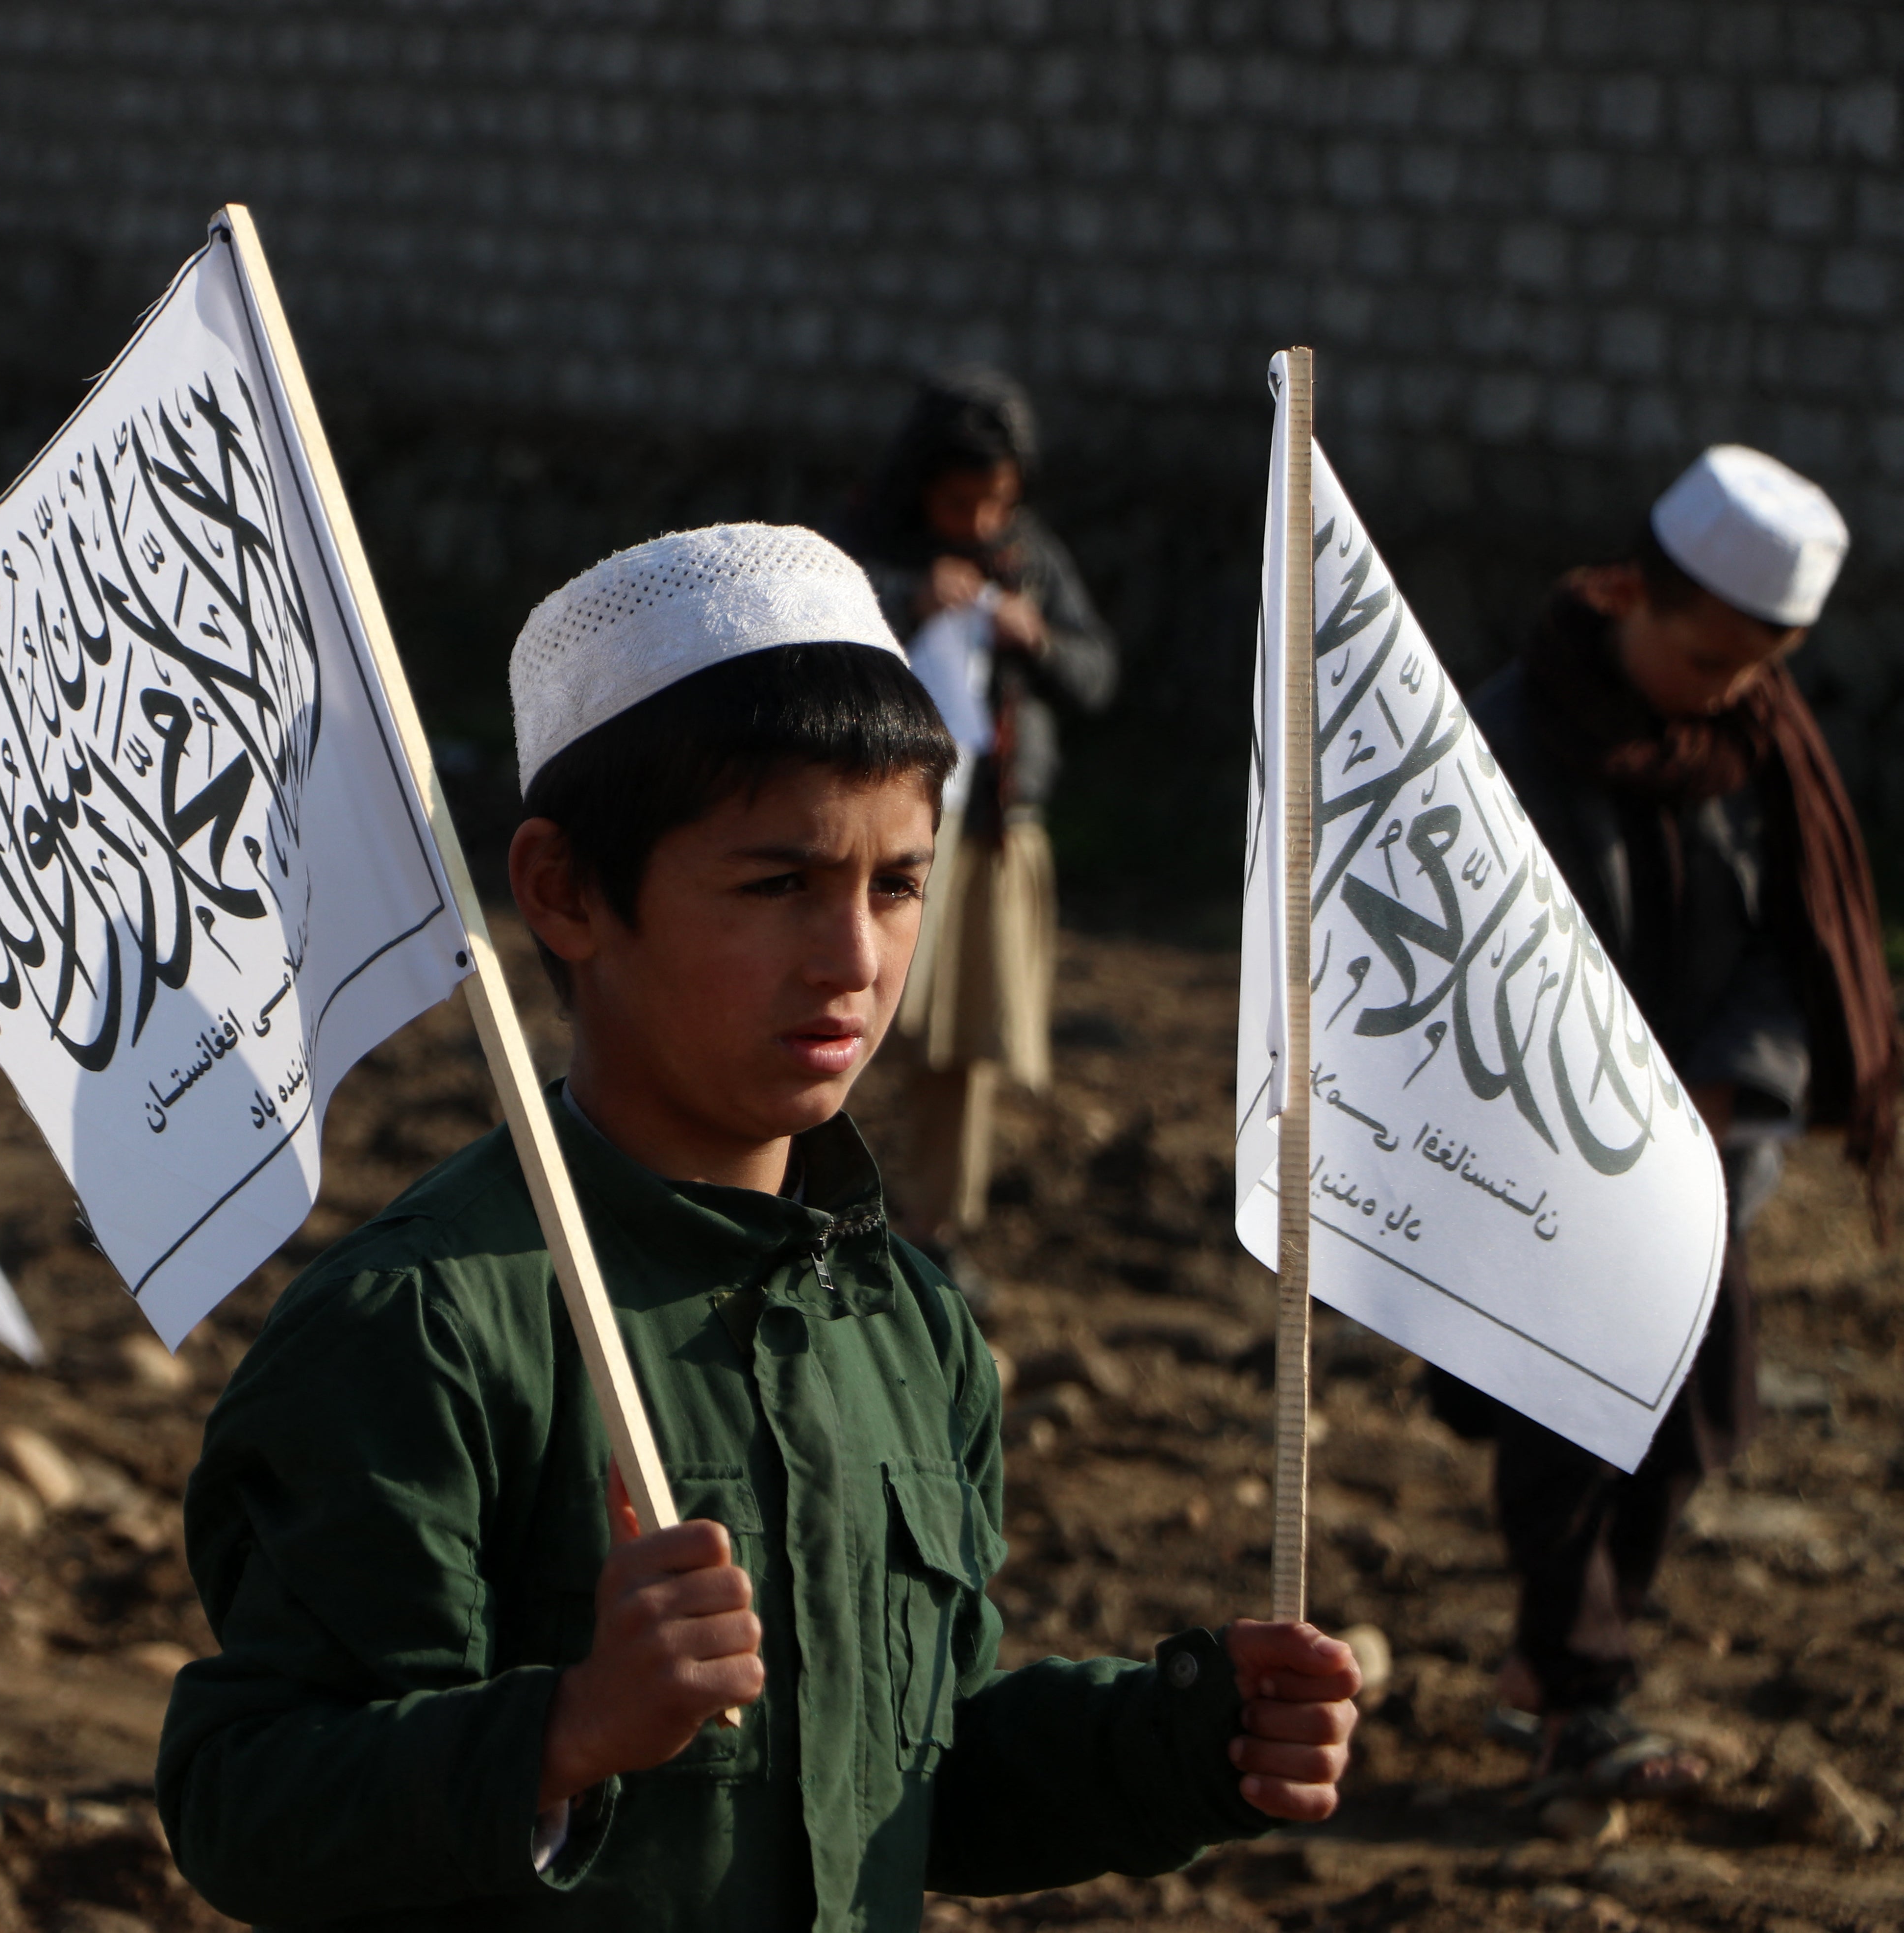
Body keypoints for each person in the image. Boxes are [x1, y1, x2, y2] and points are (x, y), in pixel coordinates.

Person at [156, 524, 1358, 1930]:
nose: (853, 960)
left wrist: (1182, 1744)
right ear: (564, 890)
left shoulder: (910, 1328)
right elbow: (247, 1800)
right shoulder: (425, 1326)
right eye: (777, 885)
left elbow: (912, 1780)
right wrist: (568, 1736)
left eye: (897, 884)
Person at [1455, 446, 1898, 1792]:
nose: (1728, 692)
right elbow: (1466, 951)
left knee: (1694, 1418)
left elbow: (1793, 948)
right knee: (1562, 1437)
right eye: (1708, 661)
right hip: (1542, 1157)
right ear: (1636, 596)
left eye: (1755, 671)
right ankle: (1577, 1696)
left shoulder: (1756, 748)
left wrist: (1715, 1091)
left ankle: (1556, 1668)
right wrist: (1593, 1104)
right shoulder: (1514, 733)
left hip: (1701, 1161)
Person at [843, 369, 1118, 1256]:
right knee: (845, 1021)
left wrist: (1036, 638)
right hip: (882, 828)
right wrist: (909, 603)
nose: (981, 522)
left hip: (996, 829)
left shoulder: (1029, 557)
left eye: (997, 502)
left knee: (963, 1047)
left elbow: (1095, 673)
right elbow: (815, 634)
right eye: (962, 501)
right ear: (922, 485)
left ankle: (934, 1234)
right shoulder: (865, 549)